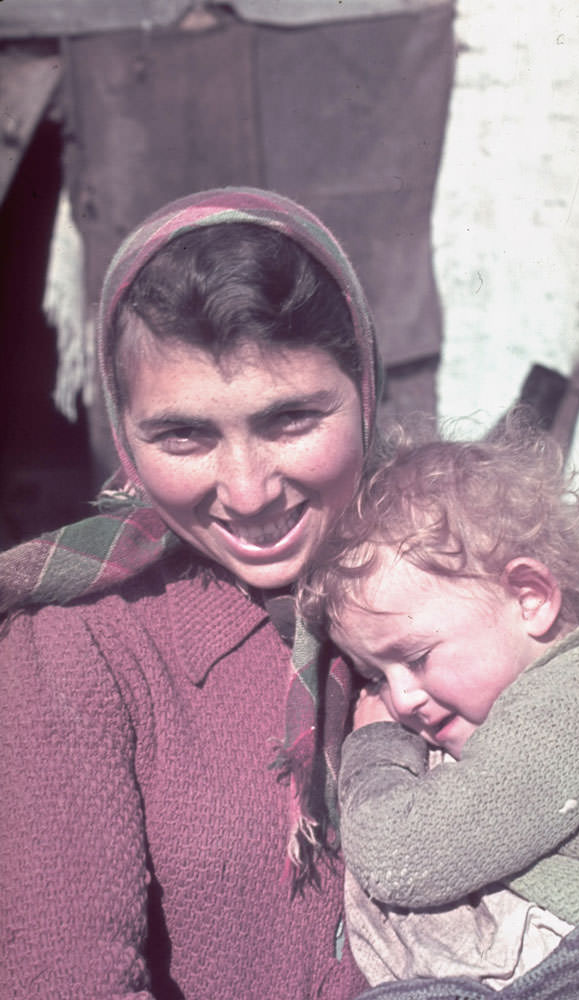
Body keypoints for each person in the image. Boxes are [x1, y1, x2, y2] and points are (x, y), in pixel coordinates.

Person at [0, 188, 382, 999]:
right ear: (125, 438)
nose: (247, 493)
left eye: (290, 421)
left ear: (366, 391)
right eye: (183, 435)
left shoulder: (467, 577)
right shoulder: (78, 652)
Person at [299, 417, 579, 991]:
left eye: (416, 657)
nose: (399, 700)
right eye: (376, 675)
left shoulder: (569, 714)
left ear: (530, 597)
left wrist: (375, 746)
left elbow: (401, 857)